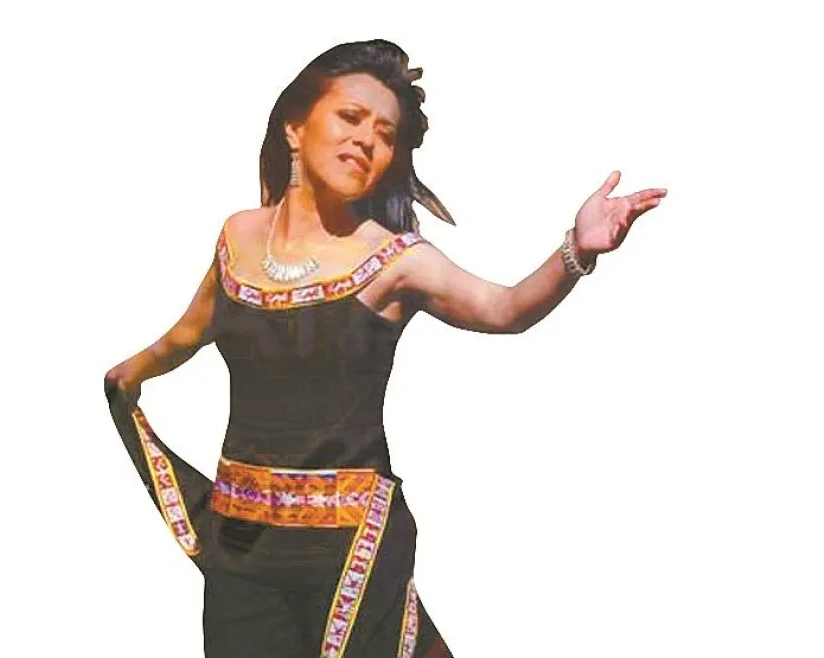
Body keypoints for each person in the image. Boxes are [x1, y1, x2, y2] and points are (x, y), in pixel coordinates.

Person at [103, 39, 666, 658]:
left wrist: (576, 250)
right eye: (350, 117)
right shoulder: (239, 237)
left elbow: (505, 309)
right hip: (241, 545)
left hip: (351, 548)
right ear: (294, 127)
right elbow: (191, 332)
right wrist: (130, 374)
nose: (366, 140)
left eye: (385, 134)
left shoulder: (396, 261)